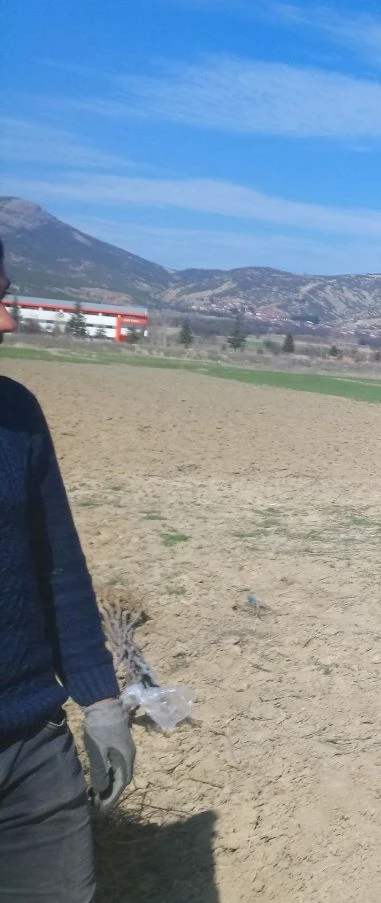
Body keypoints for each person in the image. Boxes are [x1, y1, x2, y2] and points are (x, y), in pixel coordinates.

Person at [0, 237, 136, 902]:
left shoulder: (16, 415)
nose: (6, 320)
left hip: (32, 748)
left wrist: (102, 700)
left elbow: (60, 570)